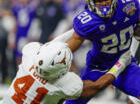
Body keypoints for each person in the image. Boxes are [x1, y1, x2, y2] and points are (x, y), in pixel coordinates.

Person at [1, 29, 132, 104]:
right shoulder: (64, 84)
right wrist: (121, 63)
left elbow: (52, 46)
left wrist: (80, 29)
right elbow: (97, 86)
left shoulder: (30, 55)